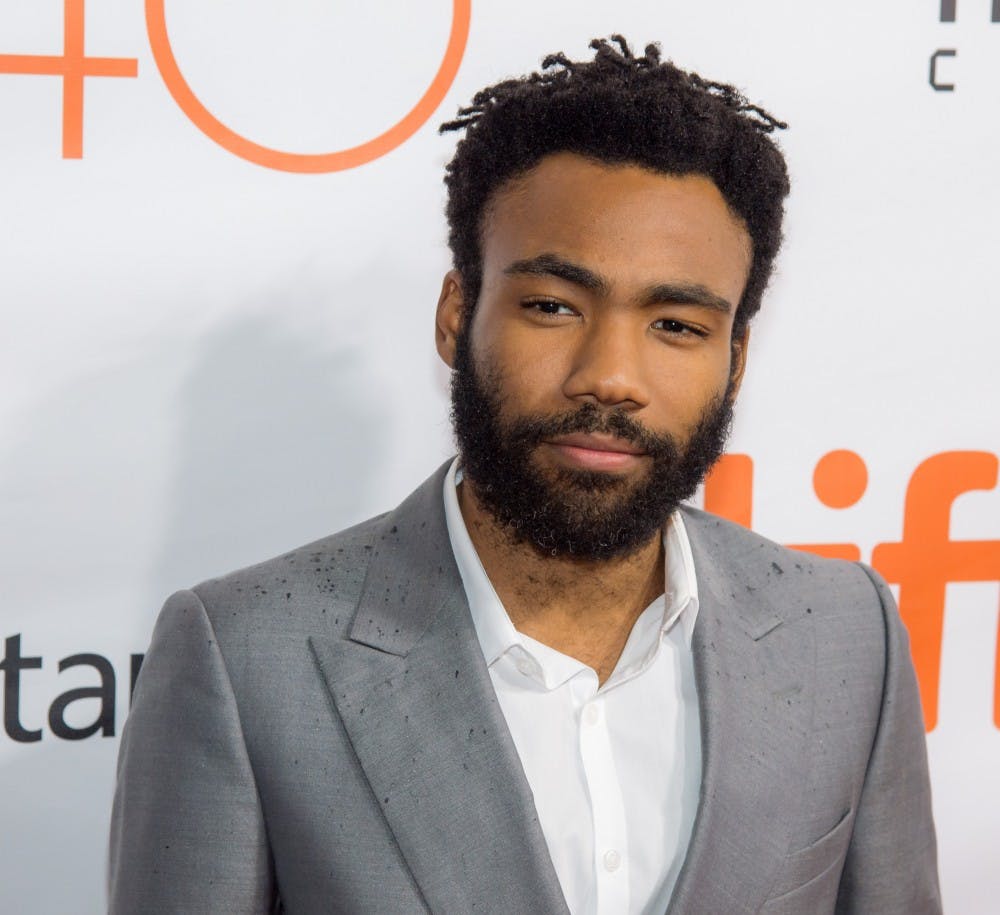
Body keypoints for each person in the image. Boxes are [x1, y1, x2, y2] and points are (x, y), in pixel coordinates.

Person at [108, 36, 940, 914]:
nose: (610, 374)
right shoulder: (244, 659)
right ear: (456, 313)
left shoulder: (849, 635)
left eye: (677, 325)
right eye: (552, 306)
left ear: (735, 359)